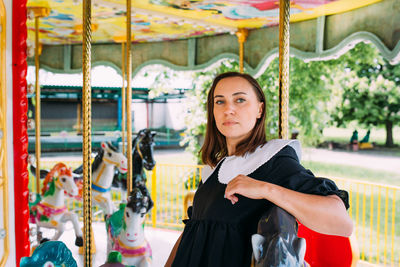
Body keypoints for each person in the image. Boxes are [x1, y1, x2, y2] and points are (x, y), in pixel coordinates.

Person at [165, 72, 353, 267]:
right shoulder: (214, 169)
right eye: (219, 102)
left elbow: (341, 222)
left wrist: (265, 189)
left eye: (240, 100)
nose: (228, 109)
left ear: (259, 109)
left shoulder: (274, 160)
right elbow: (193, 231)